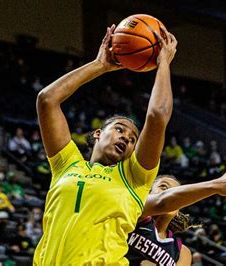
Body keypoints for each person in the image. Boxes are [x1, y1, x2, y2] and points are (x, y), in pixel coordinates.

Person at [33, 25, 177, 264]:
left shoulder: (133, 178)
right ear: (98, 133)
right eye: (120, 129)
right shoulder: (67, 165)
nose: (126, 138)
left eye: (132, 139)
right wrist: (100, 65)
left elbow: (158, 115)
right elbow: (47, 100)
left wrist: (163, 64)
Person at [127, 166, 226, 265]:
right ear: (148, 194)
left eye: (176, 193)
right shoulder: (135, 214)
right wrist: (215, 185)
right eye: (164, 187)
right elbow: (163, 202)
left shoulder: (182, 252)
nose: (171, 194)